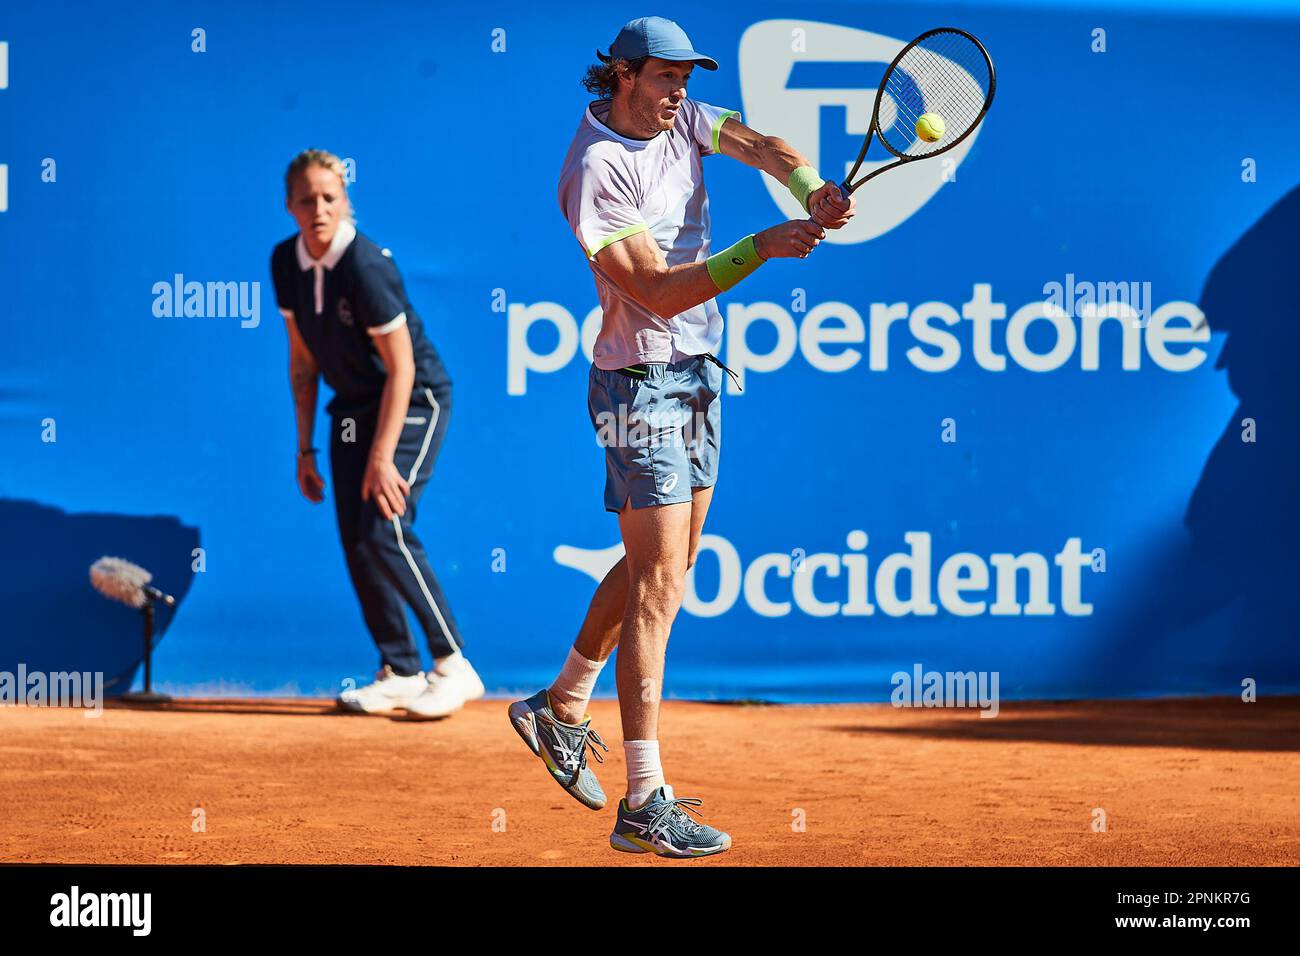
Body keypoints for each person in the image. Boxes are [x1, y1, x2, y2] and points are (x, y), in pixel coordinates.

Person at [508, 17, 854, 858]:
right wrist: (761, 249)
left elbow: (764, 143)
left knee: (664, 567)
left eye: (685, 81)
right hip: (639, 384)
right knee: (660, 584)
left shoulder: (685, 119)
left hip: (699, 371)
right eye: (665, 79)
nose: (679, 95)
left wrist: (808, 187)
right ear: (621, 75)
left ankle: (559, 708)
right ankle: (643, 801)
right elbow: (657, 294)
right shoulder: (593, 169)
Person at [270, 149, 484, 720]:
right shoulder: (284, 264)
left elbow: (404, 367)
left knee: (385, 520)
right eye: (307, 198)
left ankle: (453, 665)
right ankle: (400, 670)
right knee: (356, 537)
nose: (319, 208)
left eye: (329, 197)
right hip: (351, 409)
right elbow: (302, 362)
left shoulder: (364, 266)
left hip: (416, 398)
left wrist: (382, 457)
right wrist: (305, 447)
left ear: (345, 201)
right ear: (289, 204)